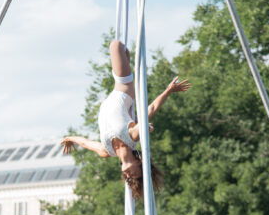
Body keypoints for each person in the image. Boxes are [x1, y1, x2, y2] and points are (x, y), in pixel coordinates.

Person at [61, 40, 190, 198]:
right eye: (134, 175)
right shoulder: (133, 137)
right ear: (140, 163)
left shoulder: (106, 151)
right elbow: (151, 109)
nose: (129, 175)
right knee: (115, 45)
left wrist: (69, 138)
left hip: (112, 93)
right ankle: (126, 58)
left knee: (123, 52)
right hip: (123, 87)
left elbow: (85, 143)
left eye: (128, 178)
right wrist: (168, 91)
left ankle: (126, 58)